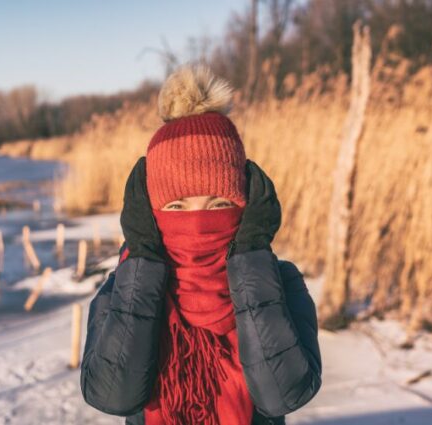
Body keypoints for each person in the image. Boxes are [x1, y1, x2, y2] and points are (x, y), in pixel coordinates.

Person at [80, 63, 322, 425]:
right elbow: (113, 394)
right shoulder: (124, 288)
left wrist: (252, 257)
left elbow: (283, 392)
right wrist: (143, 260)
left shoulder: (281, 283)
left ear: (244, 206)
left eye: (218, 204)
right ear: (153, 213)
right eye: (177, 206)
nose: (197, 220)